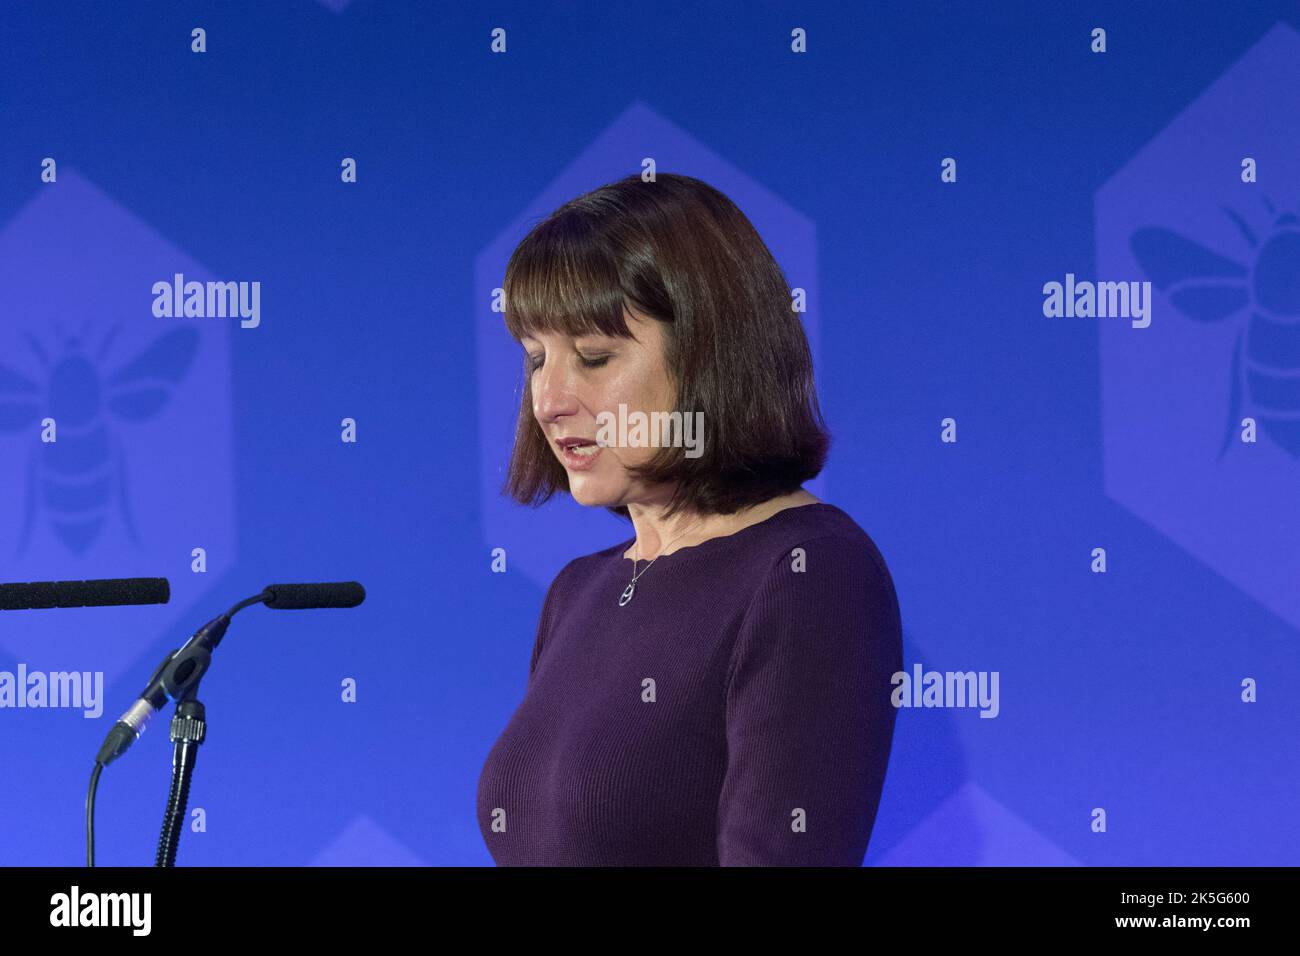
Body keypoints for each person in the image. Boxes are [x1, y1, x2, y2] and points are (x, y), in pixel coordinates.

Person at [476, 172, 902, 865]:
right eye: (534, 359)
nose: (548, 399)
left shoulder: (807, 573)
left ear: (708, 352)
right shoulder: (576, 591)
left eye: (593, 356)